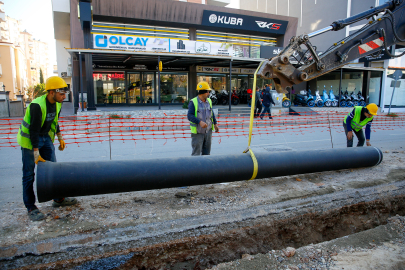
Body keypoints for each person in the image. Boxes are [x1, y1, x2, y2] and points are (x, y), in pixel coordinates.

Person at [17, 76, 78, 221]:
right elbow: (33, 131)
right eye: (61, 94)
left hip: (46, 139)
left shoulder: (57, 103)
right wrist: (36, 152)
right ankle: (31, 207)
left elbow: (54, 121)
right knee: (29, 175)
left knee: (54, 171)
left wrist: (60, 136)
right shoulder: (37, 106)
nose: (64, 97)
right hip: (30, 142)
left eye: (65, 94)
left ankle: (58, 199)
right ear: (51, 92)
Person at [187, 81, 219, 156]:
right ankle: (196, 167)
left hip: (208, 131)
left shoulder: (209, 101)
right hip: (198, 132)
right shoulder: (193, 102)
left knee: (207, 153)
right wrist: (199, 122)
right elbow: (189, 115)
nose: (209, 93)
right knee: (196, 154)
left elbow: (211, 113)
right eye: (208, 92)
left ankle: (206, 168)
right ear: (203, 92)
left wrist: (215, 123)